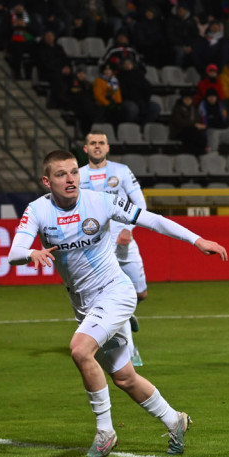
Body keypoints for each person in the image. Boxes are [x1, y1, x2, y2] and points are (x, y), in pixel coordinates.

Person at [8, 150, 228, 457]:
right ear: (47, 181)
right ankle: (174, 420)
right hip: (85, 305)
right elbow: (13, 252)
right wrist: (29, 253)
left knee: (80, 350)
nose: (70, 178)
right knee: (125, 377)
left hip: (116, 292)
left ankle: (105, 431)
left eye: (73, 172)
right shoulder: (38, 211)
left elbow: (152, 219)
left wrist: (196, 240)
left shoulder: (100, 201)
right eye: (61, 174)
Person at [80, 131, 149, 366]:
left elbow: (140, 203)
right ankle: (128, 351)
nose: (97, 147)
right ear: (85, 148)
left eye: (101, 143)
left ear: (107, 147)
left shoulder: (121, 171)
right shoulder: (78, 176)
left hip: (125, 240)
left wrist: (130, 229)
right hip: (98, 247)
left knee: (141, 294)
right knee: (108, 296)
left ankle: (127, 316)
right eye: (93, 143)